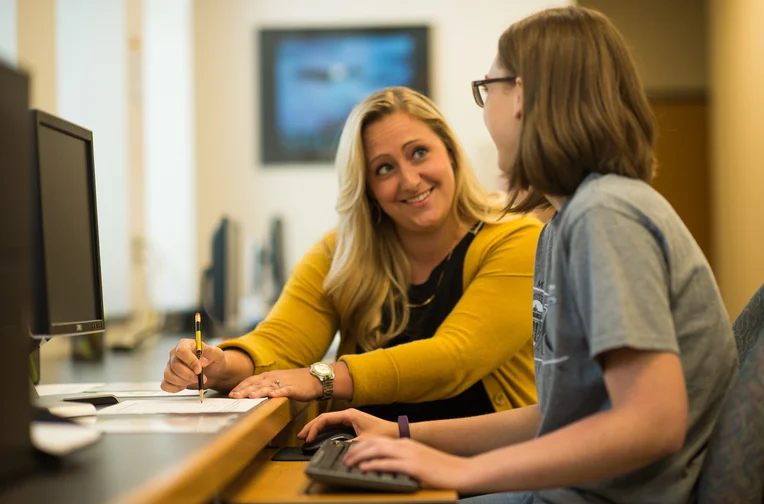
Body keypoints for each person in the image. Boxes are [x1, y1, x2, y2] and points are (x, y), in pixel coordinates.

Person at [298, 6, 738, 503]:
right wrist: (402, 435)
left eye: (488, 89)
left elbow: (651, 423)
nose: (483, 111)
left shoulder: (606, 215)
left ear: (521, 96)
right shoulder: (564, 224)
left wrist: (459, 473)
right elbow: (553, 418)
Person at [161, 86, 542, 423]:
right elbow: (281, 343)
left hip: (480, 472)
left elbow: (454, 358)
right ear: (367, 187)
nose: (410, 180)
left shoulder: (516, 238)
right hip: (366, 460)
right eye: (385, 168)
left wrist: (321, 376)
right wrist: (220, 365)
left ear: (451, 153)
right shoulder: (341, 252)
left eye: (420, 153)